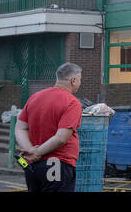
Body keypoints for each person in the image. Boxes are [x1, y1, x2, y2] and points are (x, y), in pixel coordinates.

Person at [15, 62, 83, 192]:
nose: (79, 83)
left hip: (32, 166)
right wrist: (37, 152)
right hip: (57, 164)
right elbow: (61, 138)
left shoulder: (34, 97)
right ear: (73, 80)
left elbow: (20, 128)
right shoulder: (72, 102)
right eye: (80, 79)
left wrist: (30, 150)